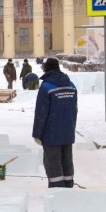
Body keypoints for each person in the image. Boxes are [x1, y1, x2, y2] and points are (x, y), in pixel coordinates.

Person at [32, 58, 78, 188]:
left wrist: (37, 134)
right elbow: (74, 109)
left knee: (53, 163)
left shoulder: (46, 87)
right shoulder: (71, 85)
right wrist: (71, 128)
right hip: (68, 131)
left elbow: (41, 113)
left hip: (51, 134)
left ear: (46, 69)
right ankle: (68, 187)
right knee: (66, 161)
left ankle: (57, 191)